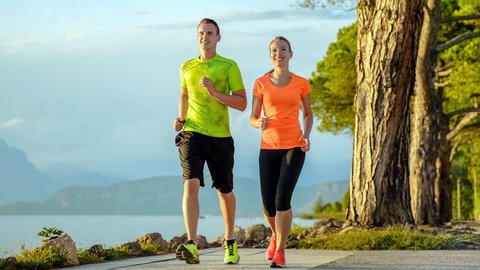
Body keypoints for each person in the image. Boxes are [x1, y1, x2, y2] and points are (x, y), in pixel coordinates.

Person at [173, 18, 247, 265]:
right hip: (192, 133)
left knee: (224, 191)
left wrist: (214, 92)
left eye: (210, 33)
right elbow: (184, 94)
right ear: (197, 37)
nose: (205, 37)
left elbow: (241, 103)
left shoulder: (228, 66)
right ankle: (192, 244)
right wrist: (181, 119)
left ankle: (230, 241)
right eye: (202, 33)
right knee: (190, 183)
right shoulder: (186, 66)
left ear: (218, 38)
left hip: (220, 137)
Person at [249, 36, 313, 268]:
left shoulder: (301, 83)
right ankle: (276, 234)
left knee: (281, 199)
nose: (279, 53)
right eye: (275, 50)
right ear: (270, 55)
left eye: (283, 49)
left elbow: (307, 114)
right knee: (268, 205)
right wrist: (260, 123)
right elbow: (253, 117)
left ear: (290, 54)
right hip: (268, 147)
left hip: (294, 146)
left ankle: (281, 249)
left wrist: (306, 135)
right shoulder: (260, 83)